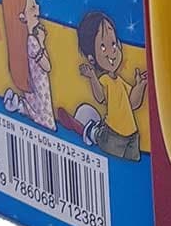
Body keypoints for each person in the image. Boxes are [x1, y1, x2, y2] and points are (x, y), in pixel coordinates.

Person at [57, 11, 145, 161]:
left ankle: (93, 128)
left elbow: (133, 103)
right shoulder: (105, 80)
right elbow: (100, 97)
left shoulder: (119, 81)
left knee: (133, 163)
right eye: (103, 48)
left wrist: (140, 85)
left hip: (132, 136)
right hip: (113, 135)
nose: (112, 52)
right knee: (101, 141)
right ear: (92, 58)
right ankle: (88, 129)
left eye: (113, 44)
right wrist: (92, 77)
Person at [1, 0, 55, 129]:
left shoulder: (25, 41)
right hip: (40, 92)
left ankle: (18, 105)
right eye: (32, 6)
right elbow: (47, 66)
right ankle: (19, 105)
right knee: (46, 121)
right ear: (22, 16)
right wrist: (42, 42)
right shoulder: (32, 41)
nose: (37, 8)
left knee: (35, 113)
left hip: (35, 90)